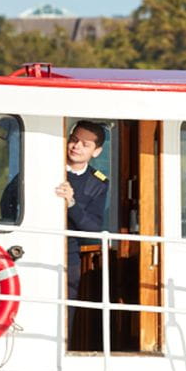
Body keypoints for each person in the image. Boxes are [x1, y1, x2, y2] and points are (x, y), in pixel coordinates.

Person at [55, 121, 109, 330]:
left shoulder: (98, 183)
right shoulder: (48, 166)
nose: (76, 147)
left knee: (66, 314)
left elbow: (94, 228)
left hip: (69, 254)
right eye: (74, 140)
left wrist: (72, 204)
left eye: (85, 144)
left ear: (96, 151)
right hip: (37, 246)